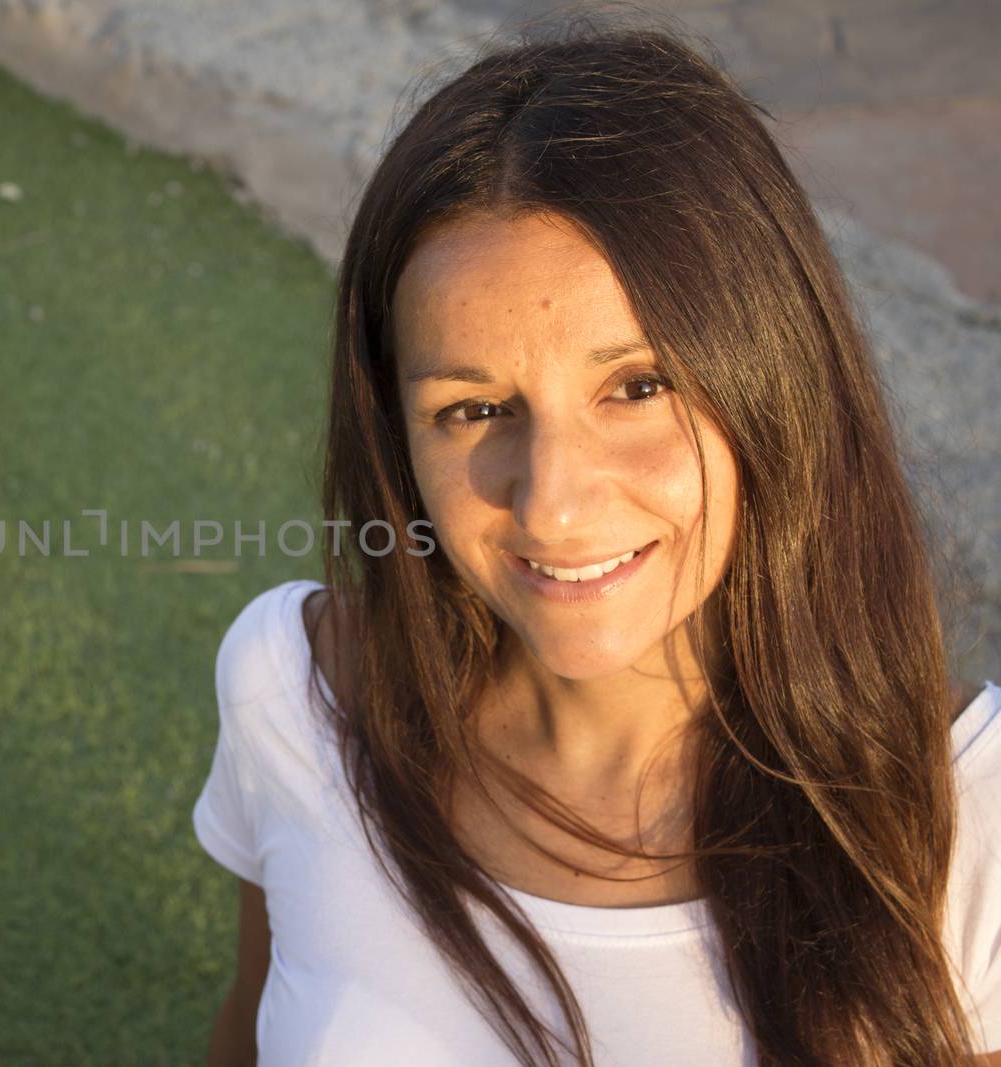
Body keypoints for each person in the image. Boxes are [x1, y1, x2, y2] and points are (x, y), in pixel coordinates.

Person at [191, 14, 999, 1067]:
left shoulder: (971, 819)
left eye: (638, 386)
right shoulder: (292, 689)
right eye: (473, 410)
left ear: (777, 379)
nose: (552, 505)